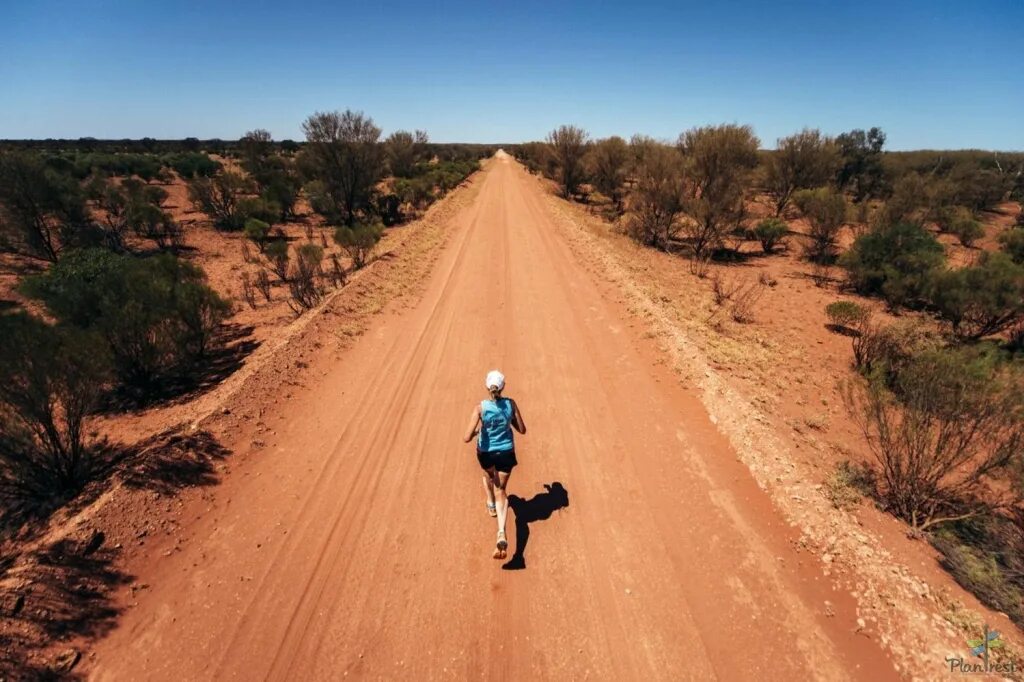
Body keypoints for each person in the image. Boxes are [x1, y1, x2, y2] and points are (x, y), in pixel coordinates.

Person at [463, 369, 526, 559]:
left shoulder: (480, 408)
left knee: (488, 476)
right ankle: (501, 532)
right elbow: (522, 430)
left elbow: (466, 437)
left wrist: (476, 433)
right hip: (506, 452)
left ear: (487, 387)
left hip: (486, 453)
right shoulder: (510, 404)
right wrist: (508, 422)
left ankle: (490, 503)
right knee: (502, 491)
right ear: (503, 387)